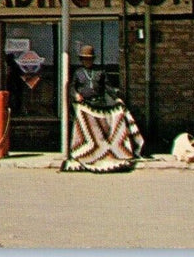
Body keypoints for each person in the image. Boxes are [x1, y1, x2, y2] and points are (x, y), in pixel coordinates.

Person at [61, 45, 143, 173]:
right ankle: (85, 153)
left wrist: (116, 99)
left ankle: (104, 151)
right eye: (84, 59)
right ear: (81, 60)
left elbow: (107, 87)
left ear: (93, 59)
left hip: (98, 104)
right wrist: (76, 95)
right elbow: (72, 88)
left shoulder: (100, 72)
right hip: (84, 106)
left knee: (100, 130)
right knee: (85, 131)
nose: (87, 61)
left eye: (89, 59)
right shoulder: (78, 73)